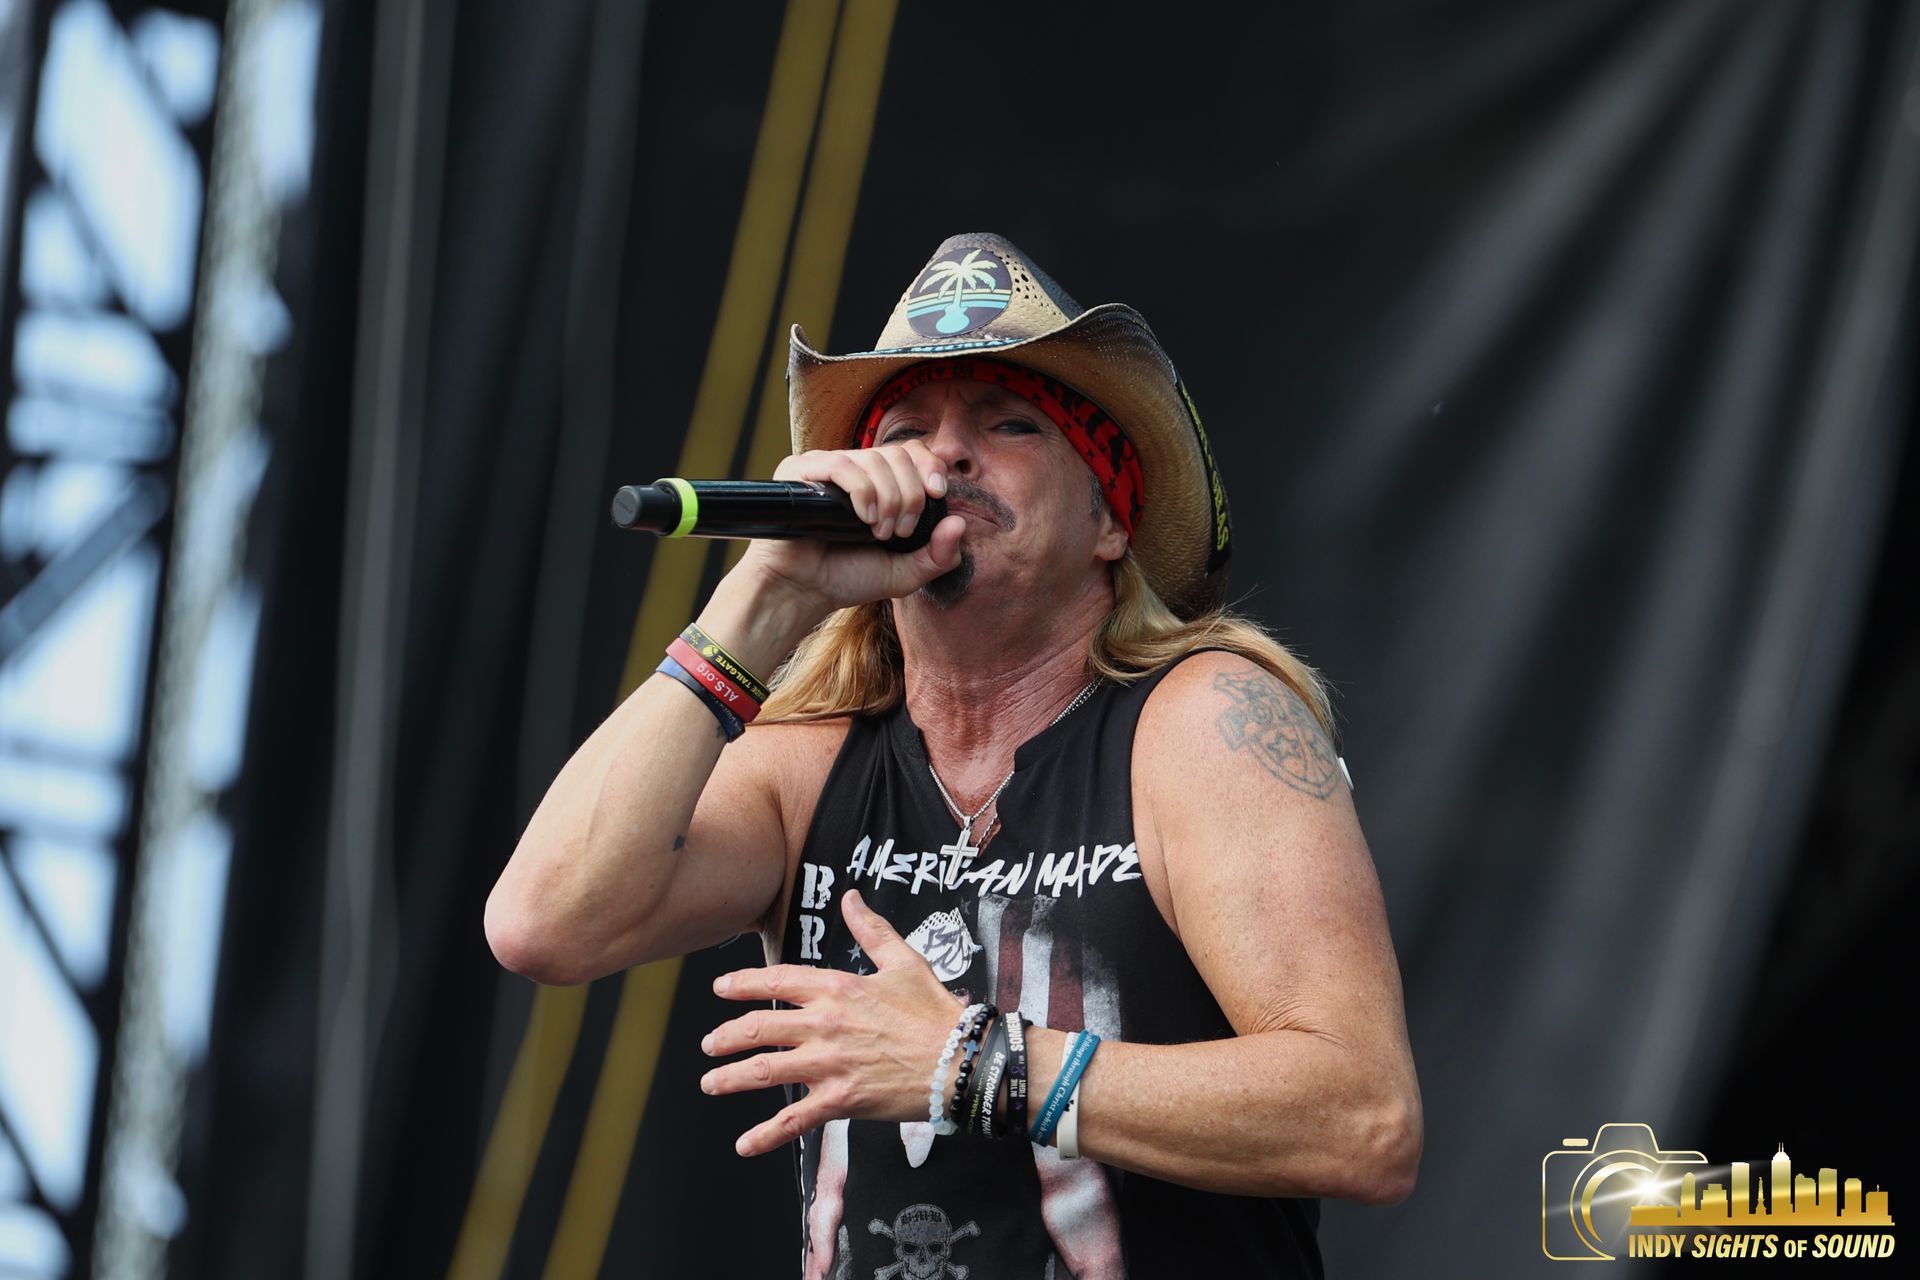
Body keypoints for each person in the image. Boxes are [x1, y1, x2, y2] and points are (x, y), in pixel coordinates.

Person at [487, 232, 1422, 1277]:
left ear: (1110, 516)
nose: (947, 456)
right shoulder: (809, 764)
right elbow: (543, 923)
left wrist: (974, 1063)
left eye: (1009, 421)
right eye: (907, 430)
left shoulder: (1199, 722)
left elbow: (1362, 1118)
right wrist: (764, 596)